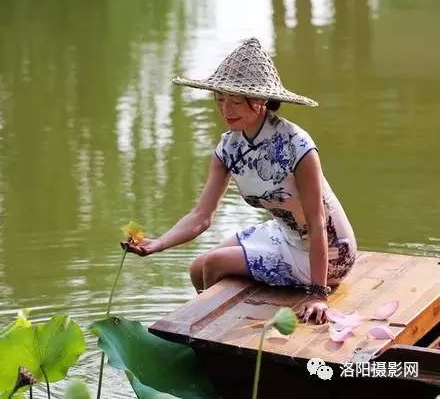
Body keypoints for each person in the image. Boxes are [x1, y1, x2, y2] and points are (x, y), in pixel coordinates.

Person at [122, 38, 356, 325]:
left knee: (213, 264)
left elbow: (318, 220)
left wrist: (319, 294)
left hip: (327, 252)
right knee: (197, 268)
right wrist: (157, 244)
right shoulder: (228, 149)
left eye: (235, 100)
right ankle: (208, 333)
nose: (225, 109)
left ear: (260, 101)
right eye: (220, 98)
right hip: (283, 234)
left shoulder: (298, 146)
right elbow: (201, 217)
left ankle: (210, 331)